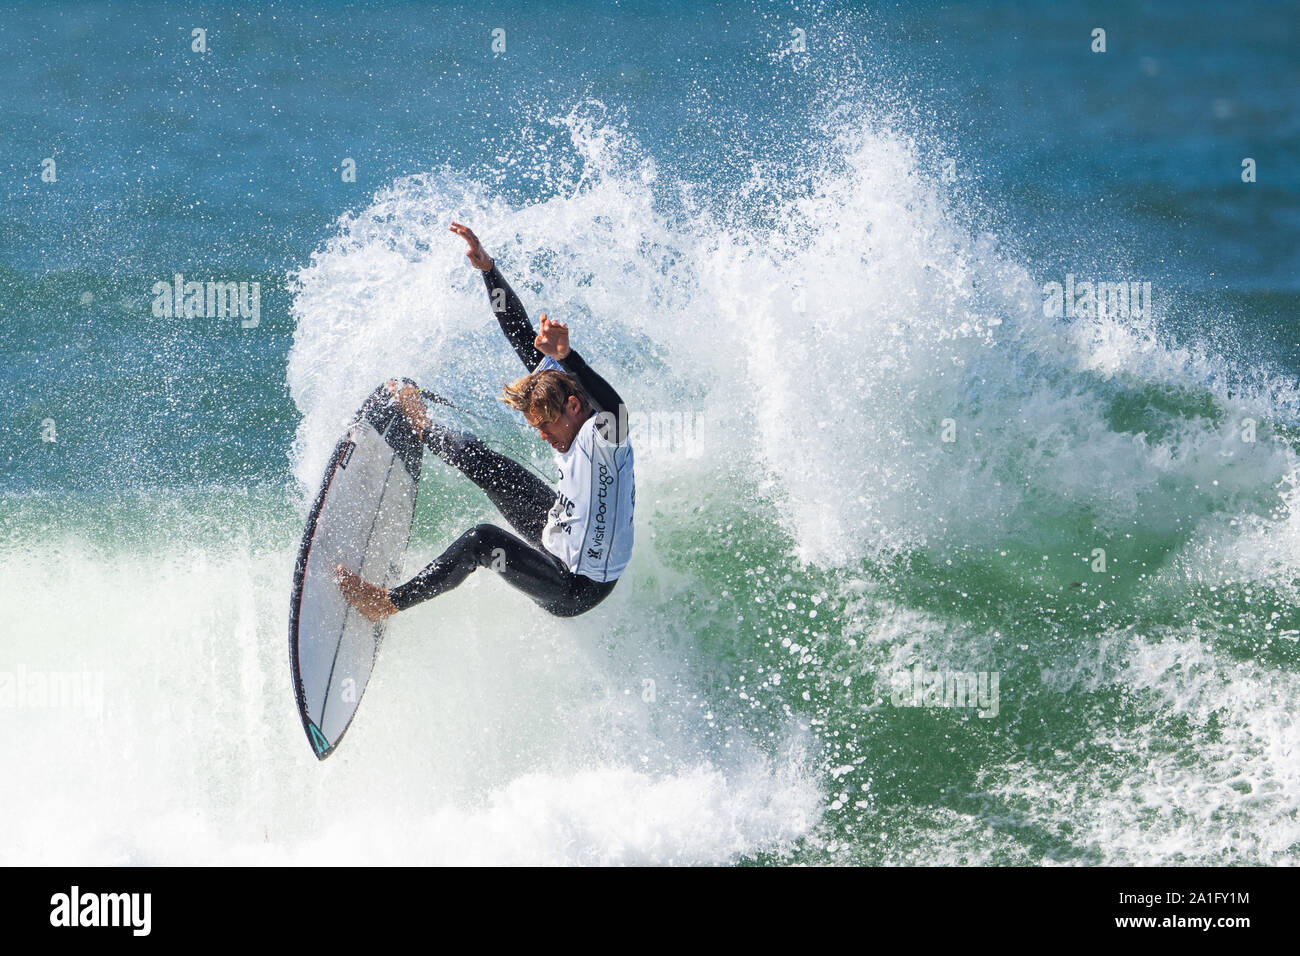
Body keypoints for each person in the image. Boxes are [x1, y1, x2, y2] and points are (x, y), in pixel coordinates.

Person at [334, 222, 635, 621]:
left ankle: (387, 604)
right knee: (481, 460)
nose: (544, 436)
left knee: (482, 541)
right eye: (536, 427)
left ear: (576, 408)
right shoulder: (560, 396)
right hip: (558, 532)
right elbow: (519, 332)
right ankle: (422, 428)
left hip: (575, 585)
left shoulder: (606, 437)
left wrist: (569, 357)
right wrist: (487, 269)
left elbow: (616, 410)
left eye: (547, 424)